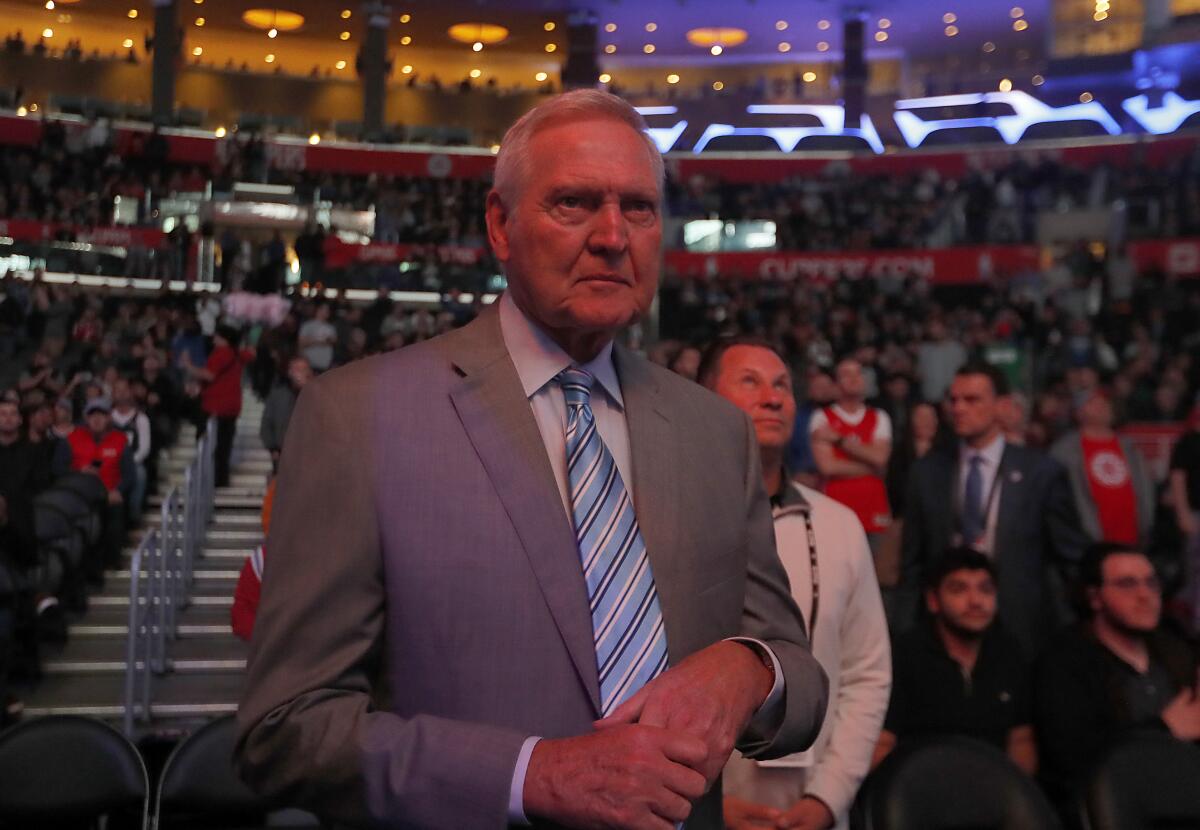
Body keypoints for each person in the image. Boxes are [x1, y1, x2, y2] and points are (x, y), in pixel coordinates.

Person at [235, 90, 828, 829]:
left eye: (639, 208)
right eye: (575, 203)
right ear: (500, 225)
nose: (614, 236)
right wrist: (529, 774)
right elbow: (282, 731)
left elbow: (802, 683)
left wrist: (749, 670)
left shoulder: (716, 433)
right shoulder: (358, 418)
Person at [702, 339, 891, 830]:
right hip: (698, 805)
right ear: (699, 398)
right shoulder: (666, 518)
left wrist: (830, 798)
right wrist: (705, 805)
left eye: (783, 385)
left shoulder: (838, 524)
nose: (773, 398)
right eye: (751, 381)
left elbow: (866, 674)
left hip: (811, 803)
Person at [900, 362, 1086, 654]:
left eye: (972, 400)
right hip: (943, 634)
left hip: (1021, 628)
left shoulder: (1041, 472)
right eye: (954, 399)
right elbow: (912, 564)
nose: (958, 408)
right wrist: (904, 630)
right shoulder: (926, 473)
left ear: (1002, 406)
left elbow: (1071, 559)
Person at [1034, 543, 1200, 816]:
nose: (1145, 595)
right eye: (1127, 584)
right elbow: (1073, 760)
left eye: (1151, 583)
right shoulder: (1064, 662)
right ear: (1095, 597)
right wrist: (1163, 729)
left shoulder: (1176, 650)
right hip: (1111, 811)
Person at [876, 548, 1037, 775]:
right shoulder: (904, 655)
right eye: (959, 589)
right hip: (920, 788)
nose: (975, 601)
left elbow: (1021, 741)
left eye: (985, 589)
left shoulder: (1009, 653)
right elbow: (882, 745)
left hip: (993, 791)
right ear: (933, 601)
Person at [1050, 388, 1155, 548]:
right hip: (1089, 543)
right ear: (1078, 413)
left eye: (1104, 402)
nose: (1103, 406)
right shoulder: (1064, 451)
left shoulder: (1129, 447)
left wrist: (1146, 522)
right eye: (1093, 403)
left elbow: (1145, 486)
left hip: (1133, 538)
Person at [809, 358, 893, 543]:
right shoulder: (821, 418)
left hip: (873, 508)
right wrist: (871, 468)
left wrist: (839, 440)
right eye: (847, 374)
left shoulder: (879, 417)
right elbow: (828, 467)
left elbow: (879, 457)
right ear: (836, 384)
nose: (854, 378)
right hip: (836, 506)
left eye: (858, 373)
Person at [56, 397, 134, 582]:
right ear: (86, 418)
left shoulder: (120, 440)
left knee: (113, 511)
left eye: (101, 415)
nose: (97, 419)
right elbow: (57, 470)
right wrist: (78, 472)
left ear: (109, 418)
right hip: (79, 498)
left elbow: (130, 474)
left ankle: (111, 560)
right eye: (93, 415)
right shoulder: (71, 439)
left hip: (109, 495)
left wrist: (118, 490)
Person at [182, 324, 253, 489]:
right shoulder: (237, 353)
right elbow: (250, 354)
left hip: (215, 407)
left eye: (217, 336)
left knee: (209, 444)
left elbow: (209, 374)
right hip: (232, 406)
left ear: (223, 338)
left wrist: (188, 365)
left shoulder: (222, 353)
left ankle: (210, 479)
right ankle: (221, 480)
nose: (213, 339)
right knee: (224, 446)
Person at [1169, 405, 1200, 633]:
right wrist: (1183, 513)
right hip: (1196, 515)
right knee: (1196, 573)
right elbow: (1177, 479)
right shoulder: (1189, 441)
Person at [259, 355, 312, 472]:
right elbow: (267, 422)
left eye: (302, 369)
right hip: (282, 453)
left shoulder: (317, 395)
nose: (299, 373)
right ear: (289, 372)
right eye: (296, 369)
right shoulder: (277, 395)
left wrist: (306, 389)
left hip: (310, 454)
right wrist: (272, 448)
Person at [110, 377, 152, 520]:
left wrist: (127, 463)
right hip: (109, 461)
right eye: (117, 390)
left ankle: (134, 513)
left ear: (131, 392)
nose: (121, 394)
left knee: (139, 473)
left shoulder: (141, 419)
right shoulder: (107, 418)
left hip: (133, 462)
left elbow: (144, 449)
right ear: (112, 393)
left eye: (124, 390)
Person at [298, 302, 337, 372]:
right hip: (309, 365)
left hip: (325, 366)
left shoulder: (331, 327)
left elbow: (333, 341)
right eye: (324, 309)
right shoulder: (307, 325)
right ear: (318, 310)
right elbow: (301, 344)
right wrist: (318, 341)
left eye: (328, 310)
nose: (326, 312)